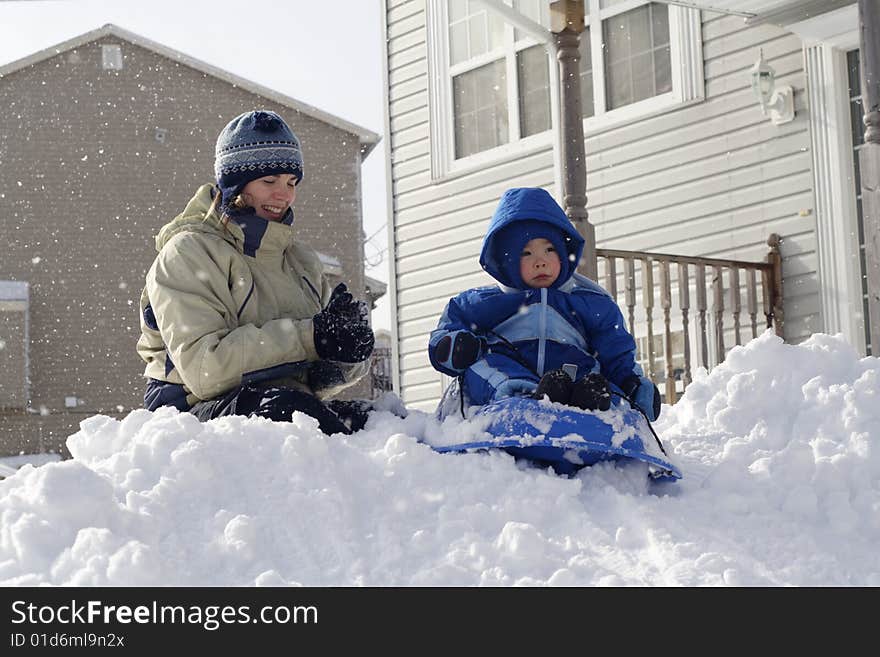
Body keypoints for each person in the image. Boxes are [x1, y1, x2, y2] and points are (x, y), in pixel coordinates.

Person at [137, 109, 375, 435]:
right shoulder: (189, 253)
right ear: (235, 183)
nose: (284, 194)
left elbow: (310, 380)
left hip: (281, 401)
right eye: (269, 181)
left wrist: (343, 352)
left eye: (291, 182)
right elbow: (206, 369)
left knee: (375, 422)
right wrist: (309, 336)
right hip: (189, 417)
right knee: (288, 409)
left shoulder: (299, 262)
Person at [428, 187, 660, 421]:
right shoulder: (485, 302)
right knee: (484, 366)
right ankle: (522, 397)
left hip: (570, 376)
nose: (540, 262)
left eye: (549, 250)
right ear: (506, 260)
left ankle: (593, 400)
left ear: (563, 253)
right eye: (526, 253)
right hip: (506, 379)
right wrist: (455, 346)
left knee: (597, 378)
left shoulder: (588, 301)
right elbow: (448, 328)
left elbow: (615, 349)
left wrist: (631, 383)